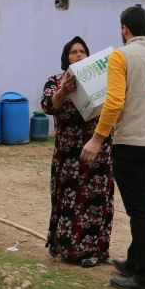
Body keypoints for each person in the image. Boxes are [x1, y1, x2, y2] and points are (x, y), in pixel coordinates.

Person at [81, 7, 145, 289]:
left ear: (124, 29)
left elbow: (114, 101)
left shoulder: (120, 56)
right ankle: (135, 261)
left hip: (131, 144)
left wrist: (97, 140)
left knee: (139, 211)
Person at [41, 36, 115, 268]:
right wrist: (63, 92)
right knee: (69, 200)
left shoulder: (101, 80)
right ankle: (67, 247)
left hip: (98, 150)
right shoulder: (55, 80)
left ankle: (94, 250)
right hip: (69, 154)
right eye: (74, 52)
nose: (79, 55)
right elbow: (47, 106)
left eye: (82, 51)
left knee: (96, 199)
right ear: (66, 57)